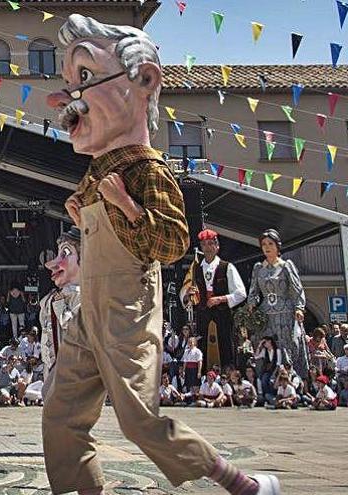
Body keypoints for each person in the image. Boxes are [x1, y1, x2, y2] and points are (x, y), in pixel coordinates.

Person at [43, 15, 280, 495]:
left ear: (144, 80)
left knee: (140, 420)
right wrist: (85, 206)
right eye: (69, 82)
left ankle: (244, 485)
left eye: (84, 78)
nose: (70, 98)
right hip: (90, 310)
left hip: (128, 307)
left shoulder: (146, 168)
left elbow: (172, 244)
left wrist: (126, 205)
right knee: (62, 413)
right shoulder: (102, 167)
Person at [180, 229, 247, 370]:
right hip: (203, 314)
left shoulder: (227, 267)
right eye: (204, 244)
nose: (208, 248)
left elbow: (241, 293)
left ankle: (227, 376)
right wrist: (188, 295)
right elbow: (185, 298)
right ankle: (204, 377)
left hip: (222, 314)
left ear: (217, 246)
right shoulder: (195, 268)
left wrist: (221, 299)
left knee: (225, 345)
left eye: (211, 244)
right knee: (202, 346)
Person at [248, 229, 309, 379]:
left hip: (285, 312)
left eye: (270, 243)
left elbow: (297, 289)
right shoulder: (258, 268)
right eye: (264, 244)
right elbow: (254, 291)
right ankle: (265, 381)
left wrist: (299, 307)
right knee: (265, 346)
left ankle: (292, 380)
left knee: (286, 345)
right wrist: (251, 304)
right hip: (266, 313)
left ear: (277, 246)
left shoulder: (286, 266)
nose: (267, 247)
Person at [40, 227, 82, 398]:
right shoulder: (53, 296)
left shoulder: (82, 295)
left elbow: (76, 328)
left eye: (65, 254)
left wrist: (60, 306)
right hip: (52, 362)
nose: (53, 263)